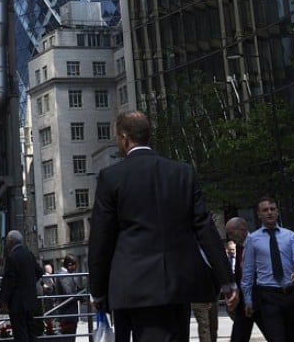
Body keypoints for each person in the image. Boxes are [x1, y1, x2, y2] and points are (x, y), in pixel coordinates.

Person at [89, 110, 238, 342]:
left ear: (124, 138)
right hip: (179, 284)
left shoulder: (111, 177)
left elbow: (101, 238)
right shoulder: (182, 172)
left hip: (133, 287)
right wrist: (226, 279)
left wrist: (97, 290)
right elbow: (204, 227)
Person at [241, 197, 294, 342]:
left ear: (277, 212)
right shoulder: (253, 239)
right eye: (265, 210)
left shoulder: (289, 236)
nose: (269, 213)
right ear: (259, 214)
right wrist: (247, 299)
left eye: (272, 209)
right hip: (268, 295)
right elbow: (248, 271)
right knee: (275, 338)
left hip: (290, 292)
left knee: (293, 337)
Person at [0, 230, 41, 342]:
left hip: (17, 303)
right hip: (30, 301)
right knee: (31, 332)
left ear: (11, 241)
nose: (6, 243)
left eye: (7, 240)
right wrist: (29, 283)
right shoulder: (29, 254)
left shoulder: (12, 258)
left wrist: (3, 302)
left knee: (20, 333)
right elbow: (39, 271)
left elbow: (9, 282)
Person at [226, 218, 264, 342]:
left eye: (232, 233)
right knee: (238, 336)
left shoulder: (255, 243)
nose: (230, 237)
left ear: (242, 230)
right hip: (243, 300)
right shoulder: (238, 246)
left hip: (259, 299)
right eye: (228, 234)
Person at [55, 254, 82, 336]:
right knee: (69, 337)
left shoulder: (65, 274)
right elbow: (70, 294)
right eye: (75, 265)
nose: (76, 267)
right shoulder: (63, 275)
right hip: (67, 315)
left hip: (68, 315)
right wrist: (82, 295)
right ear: (69, 265)